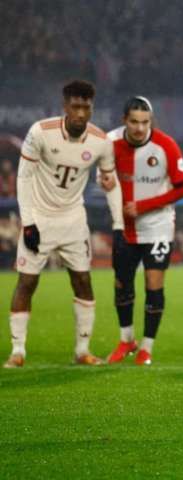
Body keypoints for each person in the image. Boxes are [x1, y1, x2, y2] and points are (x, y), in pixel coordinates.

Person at [4, 80, 120, 368]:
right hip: (39, 218)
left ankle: (83, 350)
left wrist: (118, 222)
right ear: (65, 106)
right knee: (27, 281)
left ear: (92, 107)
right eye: (75, 106)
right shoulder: (40, 132)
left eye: (86, 107)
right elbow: (24, 177)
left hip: (73, 220)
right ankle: (18, 351)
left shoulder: (101, 142)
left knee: (82, 280)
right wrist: (28, 222)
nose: (81, 113)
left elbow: (108, 179)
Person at [103, 96, 183, 366]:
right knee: (122, 283)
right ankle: (126, 339)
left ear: (151, 121)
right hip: (124, 227)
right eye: (134, 122)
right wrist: (106, 182)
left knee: (154, 284)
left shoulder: (165, 145)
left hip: (157, 227)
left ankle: (146, 348)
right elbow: (105, 176)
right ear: (124, 120)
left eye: (145, 122)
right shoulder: (110, 142)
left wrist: (143, 206)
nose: (140, 128)